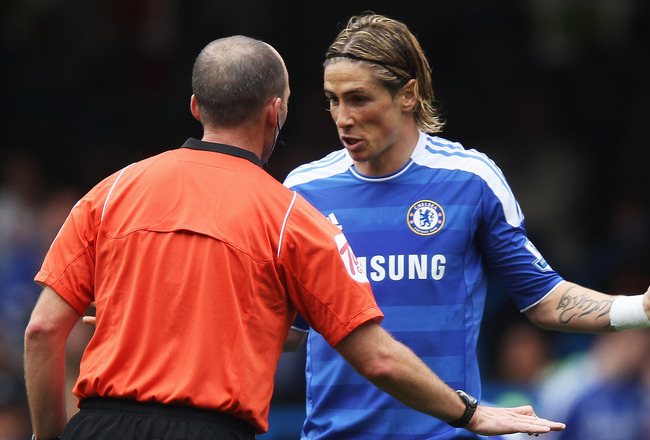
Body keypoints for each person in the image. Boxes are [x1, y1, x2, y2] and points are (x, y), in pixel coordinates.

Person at [23, 36, 565, 440]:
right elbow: (375, 357)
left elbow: (43, 331)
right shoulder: (291, 213)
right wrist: (473, 413)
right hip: (212, 430)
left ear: (195, 106)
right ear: (276, 111)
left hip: (94, 425)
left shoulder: (111, 190)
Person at [283, 13, 650, 440]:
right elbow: (287, 332)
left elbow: (544, 299)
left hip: (443, 434)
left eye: (358, 99)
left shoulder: (471, 180)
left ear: (407, 94)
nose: (342, 117)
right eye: (333, 99)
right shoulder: (304, 190)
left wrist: (638, 310)